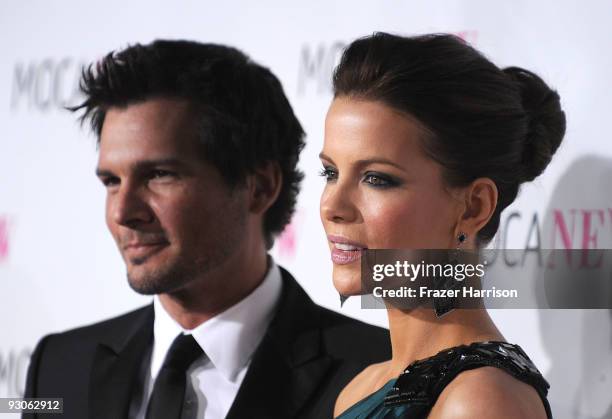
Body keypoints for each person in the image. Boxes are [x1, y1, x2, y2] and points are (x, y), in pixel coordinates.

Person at [23, 40, 390, 419]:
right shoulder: (57, 368)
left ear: (259, 188)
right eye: (111, 181)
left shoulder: (382, 375)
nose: (122, 211)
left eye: (159, 175)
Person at [319, 33, 565, 418]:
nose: (333, 206)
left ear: (473, 207)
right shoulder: (360, 388)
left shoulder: (482, 401)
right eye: (330, 172)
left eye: (377, 178)